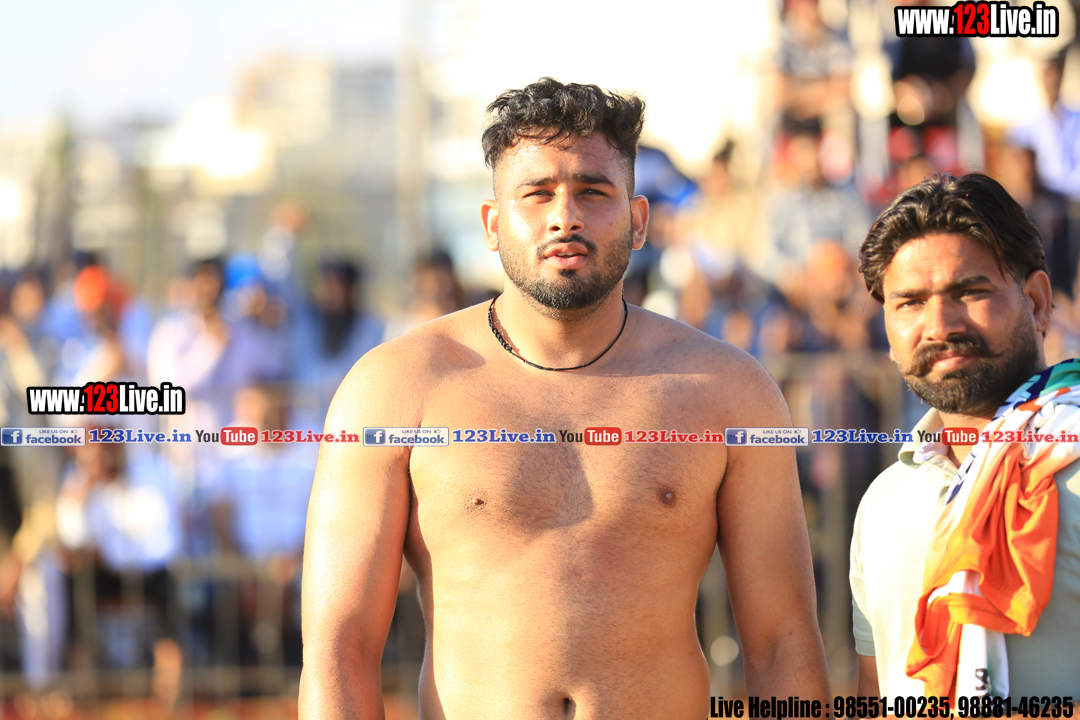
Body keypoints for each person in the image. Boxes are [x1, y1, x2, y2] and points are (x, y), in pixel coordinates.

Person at [300, 77, 828, 719]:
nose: (565, 217)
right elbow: (339, 649)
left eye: (593, 192)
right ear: (492, 224)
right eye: (537, 193)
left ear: (638, 221)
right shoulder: (395, 388)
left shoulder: (728, 393)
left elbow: (781, 644)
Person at [850, 172, 1080, 697]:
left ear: (1037, 302)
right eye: (910, 303)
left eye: (970, 291)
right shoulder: (883, 503)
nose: (940, 326)